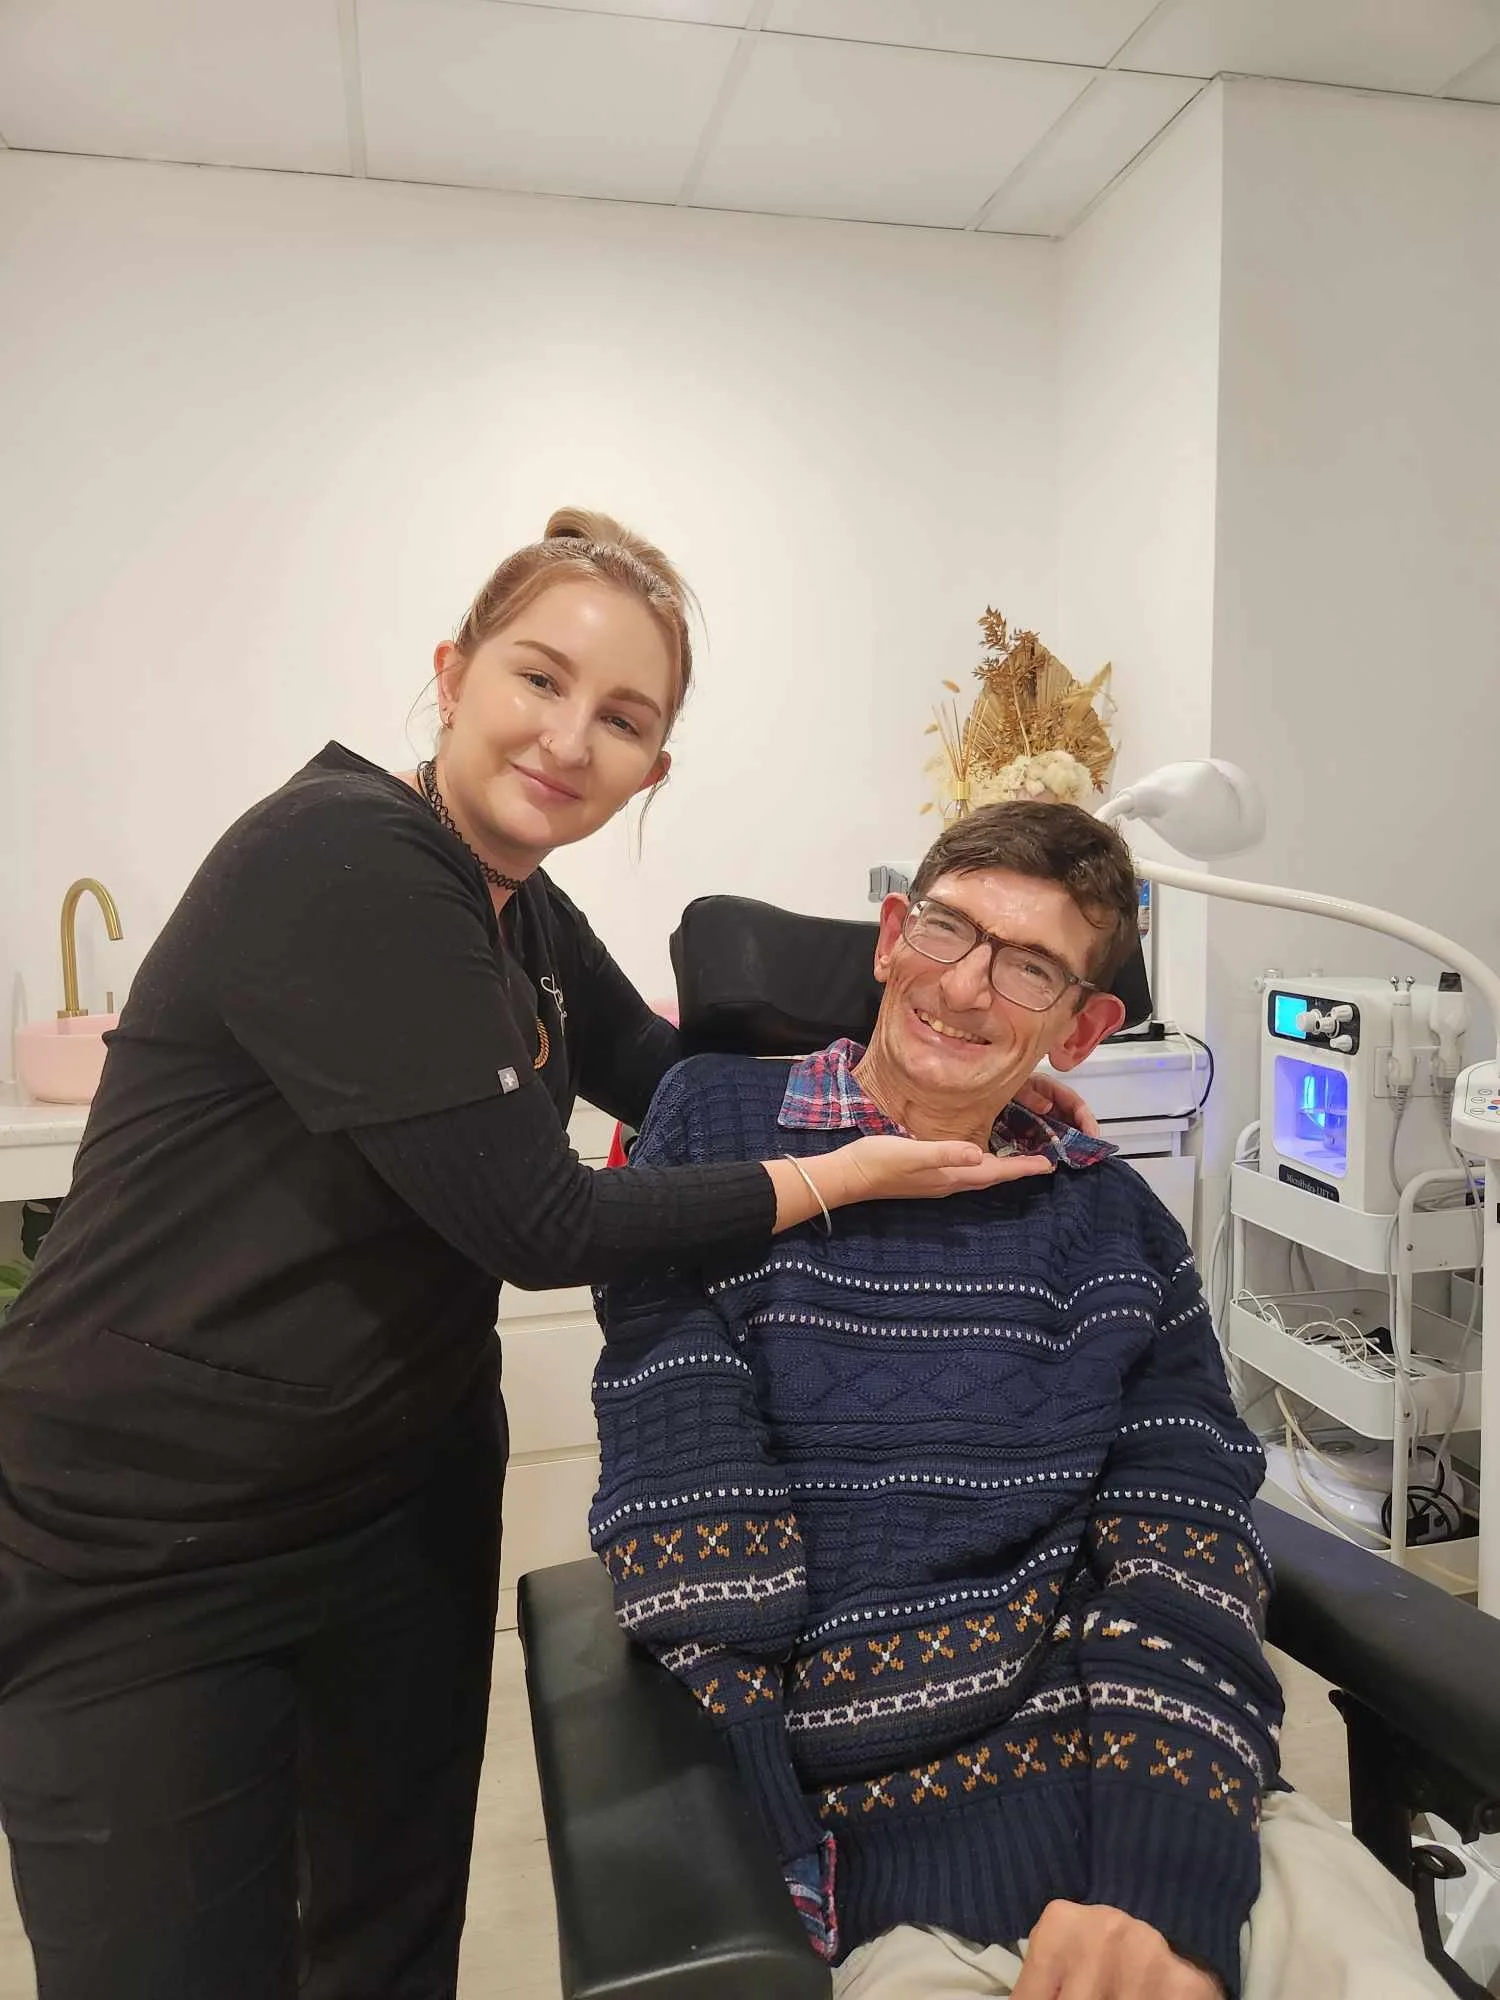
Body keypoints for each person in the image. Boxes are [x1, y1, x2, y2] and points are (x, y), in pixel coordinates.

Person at [0, 511, 1095, 2000]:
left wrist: (958, 1007)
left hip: (391, 1501)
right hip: (151, 1536)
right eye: (539, 680)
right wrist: (841, 1174)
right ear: (452, 674)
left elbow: (668, 1058)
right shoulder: (346, 861)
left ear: (657, 766)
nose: (572, 738)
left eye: (625, 719)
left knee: (384, 1944)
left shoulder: (509, 898)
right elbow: (544, 1223)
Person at [591, 801, 1451, 2000]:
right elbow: (693, 1542)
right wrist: (780, 1877)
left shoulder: (1112, 1224)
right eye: (949, 930)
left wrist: (1164, 1891)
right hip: (890, 1870)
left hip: (1175, 1808)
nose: (967, 988)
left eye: (1032, 965)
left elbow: (1185, 1545)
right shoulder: (717, 1133)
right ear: (893, 936)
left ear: (1084, 1024)